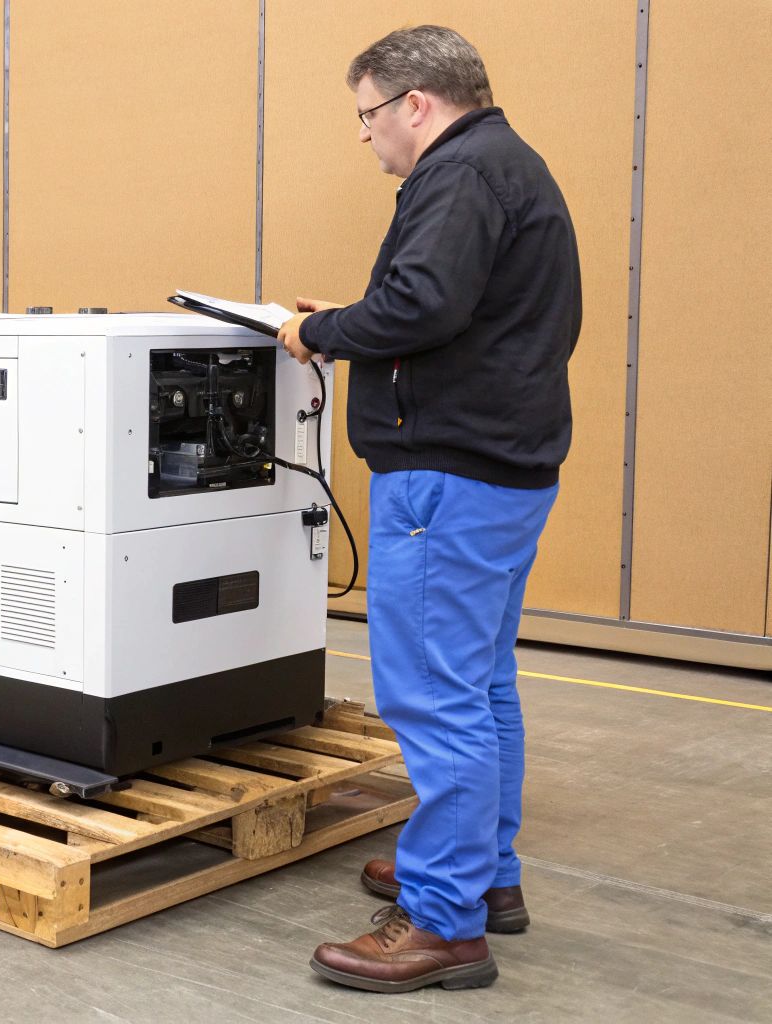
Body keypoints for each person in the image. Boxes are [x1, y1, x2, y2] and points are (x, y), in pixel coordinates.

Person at [276, 26, 580, 993]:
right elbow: (446, 308)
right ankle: (483, 878)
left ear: (415, 104)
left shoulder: (458, 176)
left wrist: (314, 330)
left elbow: (421, 307)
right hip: (503, 472)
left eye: (367, 115)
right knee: (481, 684)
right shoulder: (508, 166)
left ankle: (443, 923)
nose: (366, 138)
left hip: (448, 479)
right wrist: (358, 320)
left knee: (434, 696)